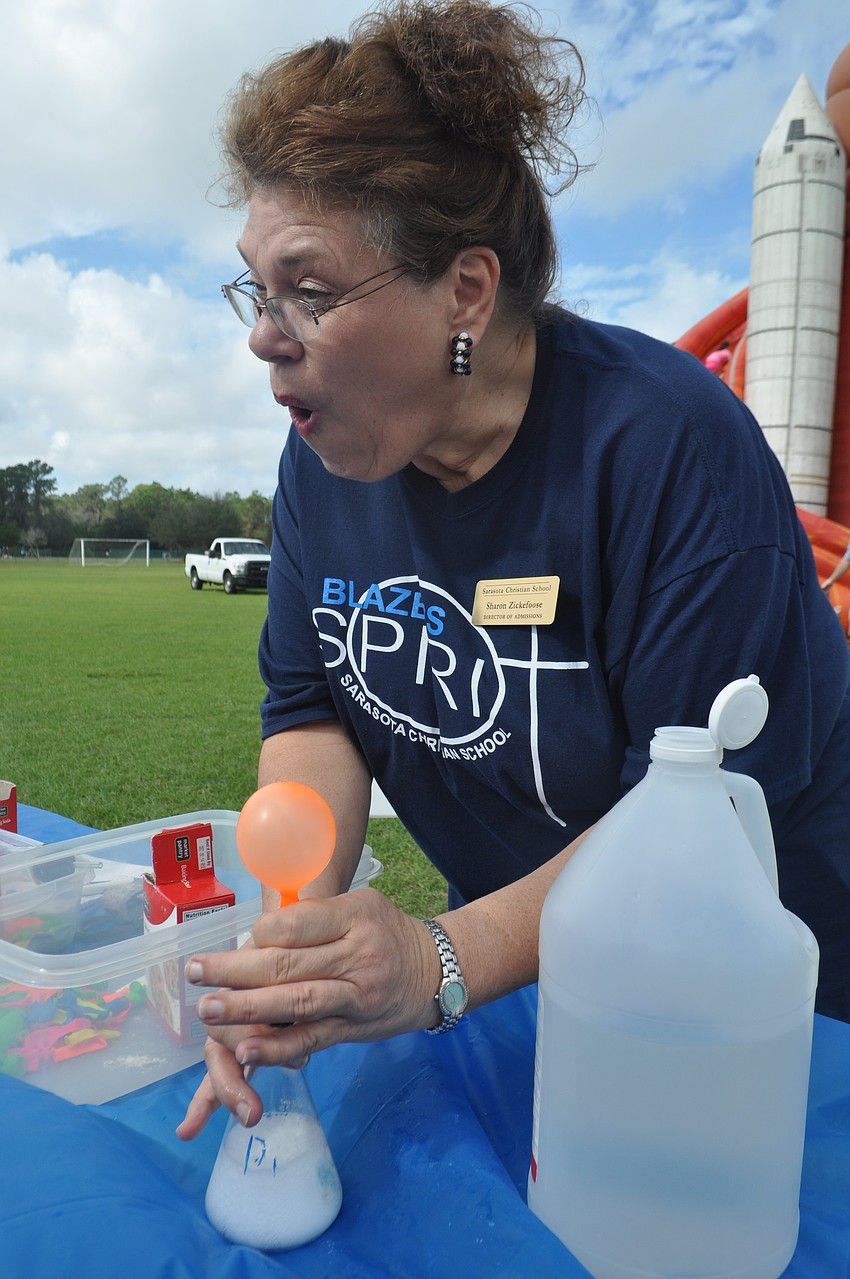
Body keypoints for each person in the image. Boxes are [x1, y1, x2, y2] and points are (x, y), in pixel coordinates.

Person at [177, 0, 850, 1142]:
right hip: (517, 965)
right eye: (255, 286)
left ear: (467, 295)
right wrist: (290, 936)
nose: (262, 336)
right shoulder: (325, 463)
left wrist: (441, 958)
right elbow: (314, 710)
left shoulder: (664, 449)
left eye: (310, 288)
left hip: (757, 1002)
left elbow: (686, 825)